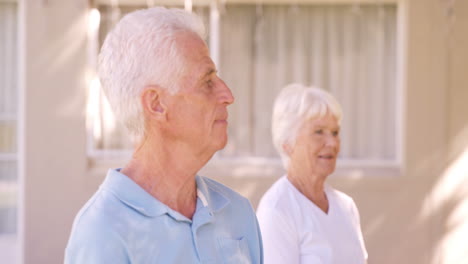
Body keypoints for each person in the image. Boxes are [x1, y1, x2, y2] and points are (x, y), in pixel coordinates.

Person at [65, 7, 263, 264]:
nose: (228, 95)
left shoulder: (237, 212)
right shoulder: (102, 231)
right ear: (156, 104)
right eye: (207, 82)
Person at [256, 83, 368, 264]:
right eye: (319, 132)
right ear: (288, 143)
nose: (332, 143)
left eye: (335, 132)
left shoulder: (346, 207)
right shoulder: (277, 210)